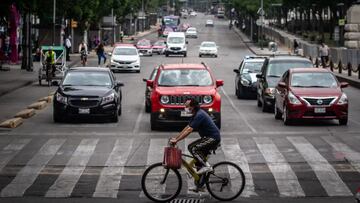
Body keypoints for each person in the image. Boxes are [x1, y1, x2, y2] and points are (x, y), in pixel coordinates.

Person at [170, 99, 221, 187]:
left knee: (192, 148)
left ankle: (206, 167)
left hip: (213, 138)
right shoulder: (195, 114)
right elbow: (187, 127)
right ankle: (200, 183)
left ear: (192, 107)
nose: (185, 108)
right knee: (198, 162)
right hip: (207, 138)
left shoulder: (199, 115)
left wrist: (177, 140)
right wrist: (176, 138)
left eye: (187, 106)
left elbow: (189, 130)